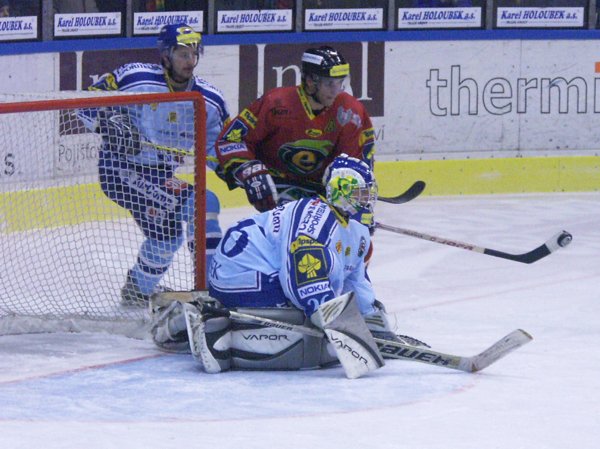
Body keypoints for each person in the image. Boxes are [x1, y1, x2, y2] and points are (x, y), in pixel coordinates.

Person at [150, 154, 403, 376]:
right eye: (360, 194)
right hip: (242, 272)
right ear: (341, 191)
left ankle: (214, 325)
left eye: (368, 194)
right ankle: (213, 331)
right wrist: (342, 328)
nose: (367, 201)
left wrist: (372, 322)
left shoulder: (355, 231)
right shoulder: (315, 217)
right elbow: (304, 282)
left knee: (317, 332)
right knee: (306, 330)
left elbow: (355, 280)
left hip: (259, 273)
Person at [79, 23, 230, 306]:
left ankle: (136, 291)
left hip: (160, 177)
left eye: (194, 53)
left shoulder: (209, 100)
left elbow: (218, 148)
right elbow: (83, 102)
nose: (190, 61)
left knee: (166, 238)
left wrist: (239, 168)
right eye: (183, 54)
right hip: (120, 170)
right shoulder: (135, 77)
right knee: (203, 202)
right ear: (166, 55)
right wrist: (108, 123)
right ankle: (213, 289)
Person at [215, 45, 376, 225]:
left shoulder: (350, 112)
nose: (335, 90)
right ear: (310, 82)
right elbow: (230, 140)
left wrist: (359, 204)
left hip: (321, 190)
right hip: (276, 183)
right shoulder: (276, 103)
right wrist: (251, 173)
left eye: (339, 82)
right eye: (329, 83)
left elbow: (357, 164)